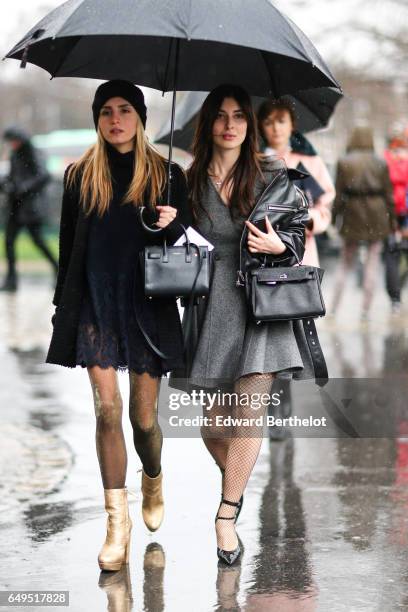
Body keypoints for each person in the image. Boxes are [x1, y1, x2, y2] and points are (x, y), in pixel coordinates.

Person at [46, 80, 191, 571]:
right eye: (105, 111)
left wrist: (172, 223)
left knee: (142, 419)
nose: (115, 119)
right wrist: (61, 306)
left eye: (125, 110)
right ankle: (116, 524)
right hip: (95, 303)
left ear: (140, 117)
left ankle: (153, 473)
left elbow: (188, 248)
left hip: (146, 304)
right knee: (107, 410)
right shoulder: (79, 175)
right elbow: (69, 249)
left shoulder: (168, 174)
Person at [186, 84, 312, 565]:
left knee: (249, 411)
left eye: (240, 115)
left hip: (261, 303)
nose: (231, 124)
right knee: (214, 426)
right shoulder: (190, 179)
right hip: (212, 303)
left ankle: (225, 516)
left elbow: (297, 234)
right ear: (209, 124)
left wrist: (279, 247)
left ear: (250, 125)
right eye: (221, 116)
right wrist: (168, 222)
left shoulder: (271, 173)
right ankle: (239, 480)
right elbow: (173, 235)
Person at [257, 98, 335, 267]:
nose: (276, 128)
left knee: (298, 291)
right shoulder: (253, 162)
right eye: (268, 122)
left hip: (301, 247)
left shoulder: (309, 160)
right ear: (261, 127)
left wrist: (308, 218)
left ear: (292, 124)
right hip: (262, 248)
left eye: (281, 121)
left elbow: (325, 204)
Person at [330, 126, 397, 319]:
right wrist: (392, 220)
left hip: (352, 213)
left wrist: (335, 219)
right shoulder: (380, 163)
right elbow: (389, 195)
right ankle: (365, 310)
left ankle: (334, 307)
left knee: (344, 262)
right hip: (377, 214)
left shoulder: (344, 162)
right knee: (372, 263)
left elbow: (339, 195)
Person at [0, 127, 57, 291]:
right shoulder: (14, 156)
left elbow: (44, 176)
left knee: (38, 242)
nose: (13, 144)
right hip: (15, 208)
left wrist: (24, 188)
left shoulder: (33, 153)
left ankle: (58, 270)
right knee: (9, 242)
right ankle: (11, 280)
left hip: (31, 208)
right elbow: (12, 177)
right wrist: (7, 185)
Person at [384, 132, 408, 312]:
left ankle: (395, 298)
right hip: (403, 217)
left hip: (389, 218)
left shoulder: (385, 165)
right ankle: (397, 294)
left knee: (392, 257)